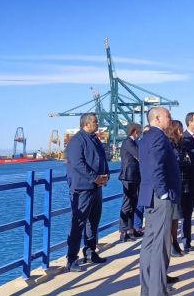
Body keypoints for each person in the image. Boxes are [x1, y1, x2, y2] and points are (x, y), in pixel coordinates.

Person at [138, 107, 182, 296]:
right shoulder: (158, 136)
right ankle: (157, 291)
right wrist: (164, 192)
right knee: (159, 247)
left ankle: (147, 290)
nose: (170, 119)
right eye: (168, 116)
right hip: (160, 197)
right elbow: (156, 165)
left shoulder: (145, 137)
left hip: (149, 195)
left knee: (149, 245)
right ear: (157, 118)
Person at [65, 112, 109, 272]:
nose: (98, 124)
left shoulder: (95, 139)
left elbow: (102, 159)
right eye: (95, 122)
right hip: (82, 188)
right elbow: (78, 163)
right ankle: (71, 259)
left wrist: (105, 175)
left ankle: (90, 252)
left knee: (93, 221)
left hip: (96, 187)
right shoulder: (77, 141)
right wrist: (95, 178)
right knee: (78, 223)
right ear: (86, 124)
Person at [118, 123, 143, 243]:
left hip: (134, 176)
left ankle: (130, 229)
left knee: (133, 203)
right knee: (127, 203)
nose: (140, 134)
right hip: (128, 176)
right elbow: (139, 155)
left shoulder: (134, 142)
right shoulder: (128, 142)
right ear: (135, 131)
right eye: (140, 131)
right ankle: (123, 231)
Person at [181, 112, 194, 252]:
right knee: (186, 215)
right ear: (190, 122)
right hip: (188, 183)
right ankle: (186, 241)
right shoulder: (183, 139)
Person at [168, 121, 188, 257]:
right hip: (172, 184)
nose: (181, 133)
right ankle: (172, 242)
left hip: (181, 182)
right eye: (179, 131)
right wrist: (183, 158)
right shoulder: (170, 144)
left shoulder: (181, 144)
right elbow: (177, 159)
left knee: (176, 217)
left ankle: (174, 241)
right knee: (172, 217)